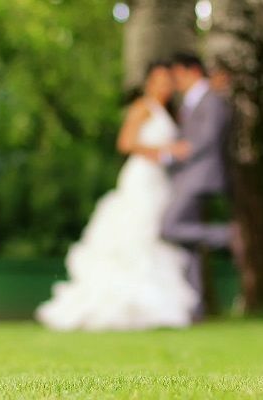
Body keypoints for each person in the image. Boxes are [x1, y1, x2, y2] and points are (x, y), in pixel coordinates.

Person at [35, 61, 197, 331]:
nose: (165, 86)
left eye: (168, 81)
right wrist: (166, 150)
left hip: (158, 181)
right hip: (141, 177)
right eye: (159, 80)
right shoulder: (142, 108)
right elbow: (126, 143)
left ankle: (154, 305)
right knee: (134, 234)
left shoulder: (169, 112)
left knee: (154, 238)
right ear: (148, 83)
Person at [159, 53, 234, 321]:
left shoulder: (211, 98)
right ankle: (195, 307)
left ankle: (228, 236)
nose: (174, 81)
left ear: (191, 71)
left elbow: (207, 137)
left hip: (200, 176)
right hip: (186, 176)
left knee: (168, 227)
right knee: (188, 246)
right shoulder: (190, 102)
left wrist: (179, 151)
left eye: (177, 74)